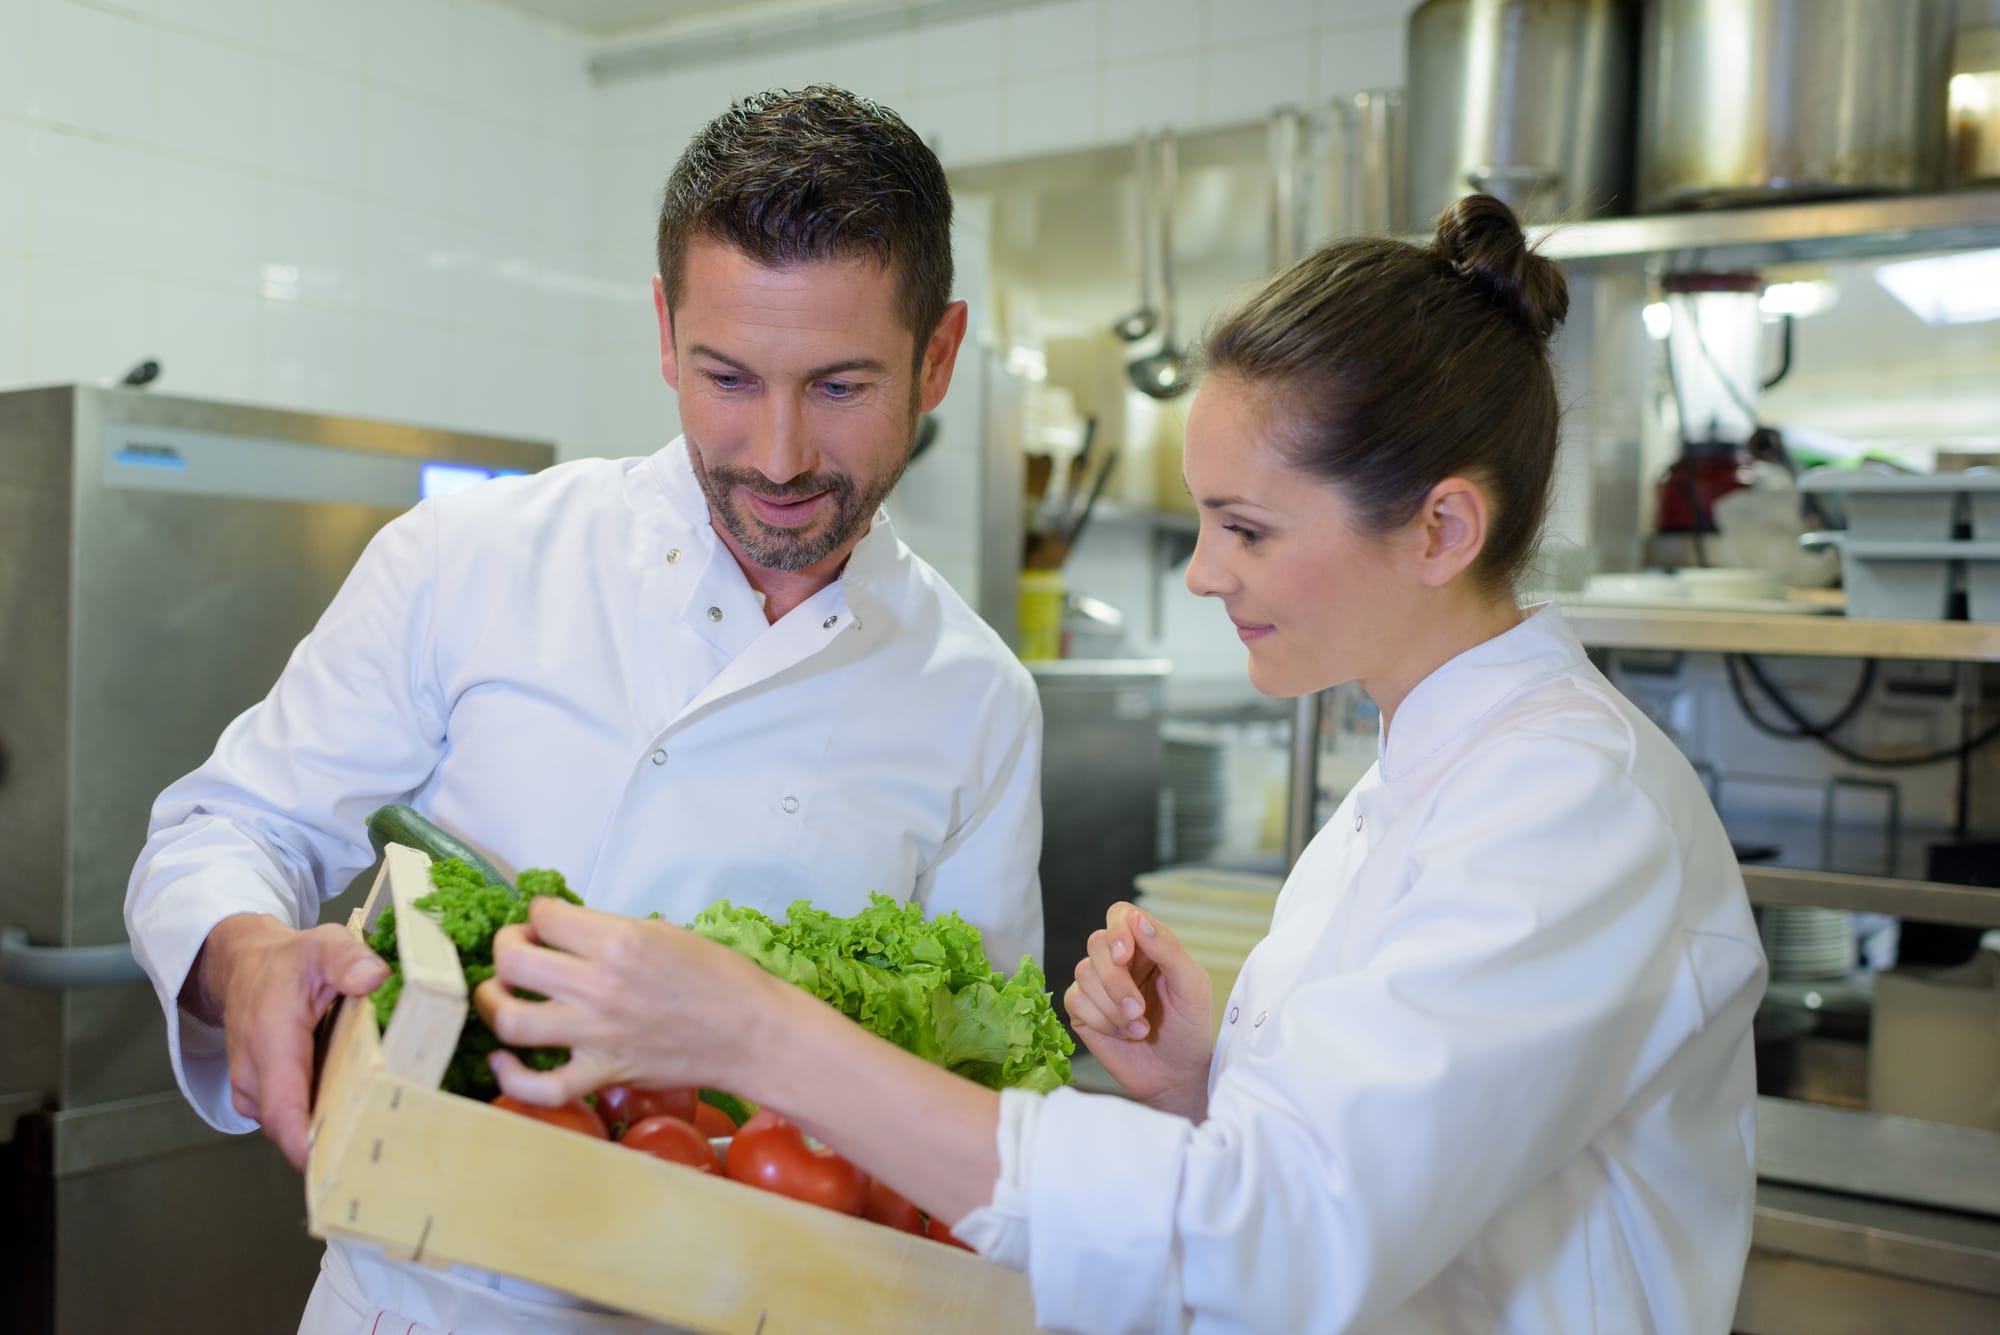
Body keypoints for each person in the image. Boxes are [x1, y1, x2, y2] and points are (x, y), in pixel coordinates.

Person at [477, 195, 1767, 1333]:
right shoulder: (1419, 773)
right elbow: (1396, 1162)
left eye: (1244, 529)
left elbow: (1282, 1241)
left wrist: (759, 1037)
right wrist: (1207, 1082)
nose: (1204, 573)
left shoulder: (1569, 805)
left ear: (1439, 527)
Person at [123, 85, 1045, 1335]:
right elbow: (228, 828)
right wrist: (248, 956)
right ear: (664, 333)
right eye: (726, 376)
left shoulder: (974, 694)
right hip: (425, 1301)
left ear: (937, 356)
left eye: (838, 386)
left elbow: (964, 1092)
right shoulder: (472, 556)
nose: (774, 455)